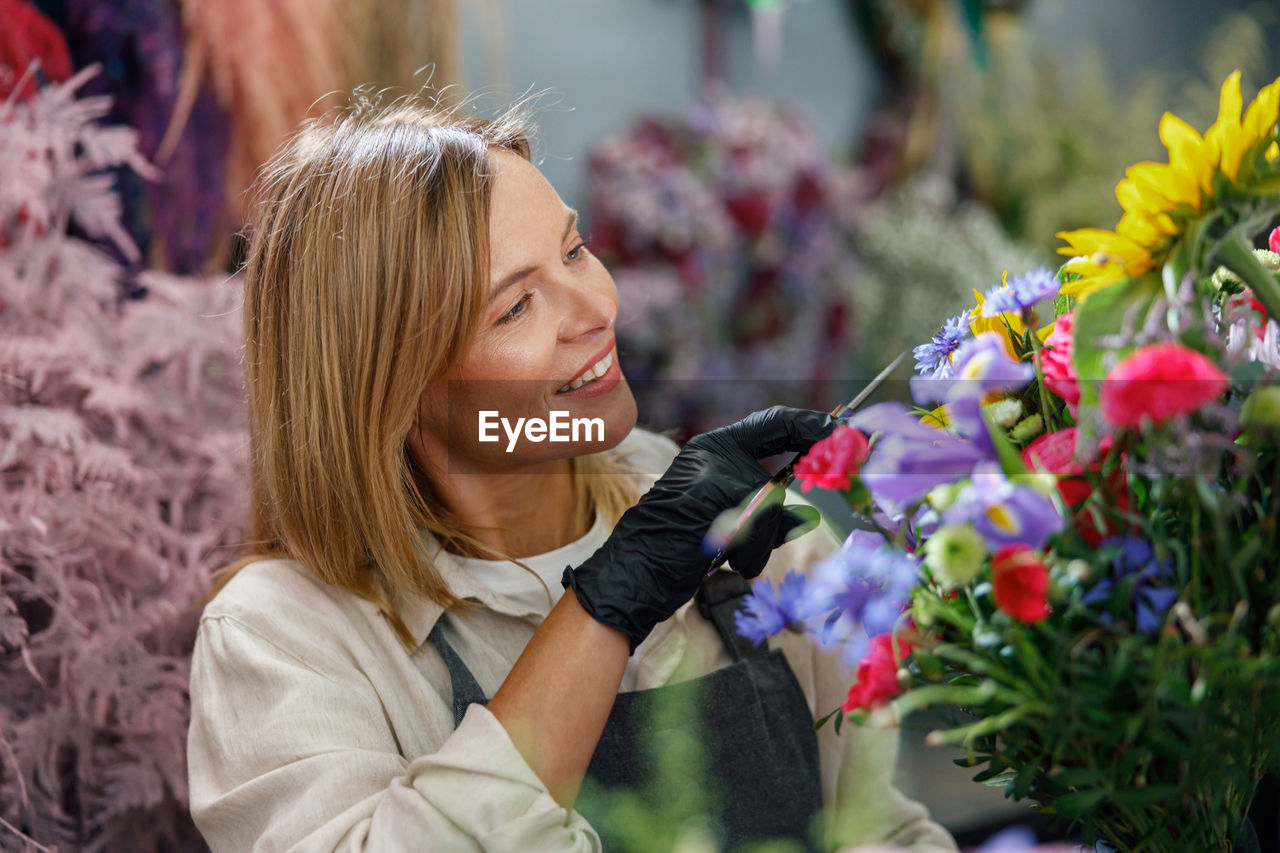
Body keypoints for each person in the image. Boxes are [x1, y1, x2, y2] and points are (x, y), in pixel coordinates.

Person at [186, 92, 959, 853]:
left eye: (574, 249)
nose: (596, 307)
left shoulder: (737, 523)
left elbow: (882, 831)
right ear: (391, 396)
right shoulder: (279, 637)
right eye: (516, 307)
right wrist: (611, 599)